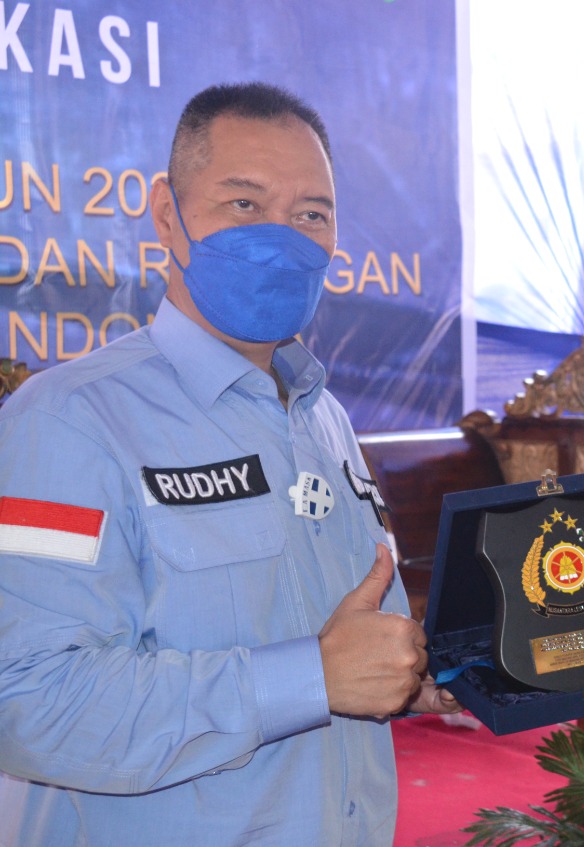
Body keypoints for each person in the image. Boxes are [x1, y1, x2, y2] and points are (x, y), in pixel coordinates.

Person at [0, 82, 460, 847]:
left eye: (311, 214)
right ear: (165, 217)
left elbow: (331, 640)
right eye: (243, 205)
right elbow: (28, 701)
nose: (281, 237)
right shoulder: (67, 421)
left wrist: (401, 676)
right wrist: (311, 676)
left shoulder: (324, 418)